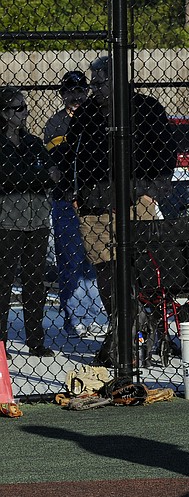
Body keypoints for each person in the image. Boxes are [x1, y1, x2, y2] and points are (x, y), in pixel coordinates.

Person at [62, 56, 177, 366]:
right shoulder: (86, 113)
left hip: (136, 202)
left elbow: (167, 153)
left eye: (100, 83)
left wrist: (152, 191)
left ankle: (143, 330)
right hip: (94, 205)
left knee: (140, 268)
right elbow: (69, 154)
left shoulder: (146, 108)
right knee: (106, 270)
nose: (94, 89)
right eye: (93, 84)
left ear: (116, 81)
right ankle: (122, 331)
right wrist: (72, 193)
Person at [44, 70, 107, 340]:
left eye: (80, 90)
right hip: (66, 199)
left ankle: (95, 316)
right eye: (70, 91)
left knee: (94, 260)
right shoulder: (56, 124)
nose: (76, 96)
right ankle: (75, 317)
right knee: (70, 260)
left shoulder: (95, 118)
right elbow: (59, 162)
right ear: (62, 94)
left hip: (92, 199)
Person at [0, 86, 60, 357]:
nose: (25, 113)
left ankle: (36, 341)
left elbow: (54, 174)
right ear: (4, 113)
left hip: (37, 221)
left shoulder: (33, 143)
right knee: (4, 282)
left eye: (25, 107)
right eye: (19, 108)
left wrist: (31, 177)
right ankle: (1, 344)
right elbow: (8, 179)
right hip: (7, 222)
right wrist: (40, 177)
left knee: (35, 283)